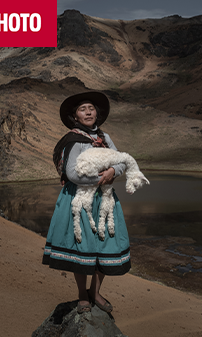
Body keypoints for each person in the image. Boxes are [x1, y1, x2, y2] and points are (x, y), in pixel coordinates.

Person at [42, 91, 131, 314]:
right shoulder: (74, 141)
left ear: (97, 113)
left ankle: (95, 291)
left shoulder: (105, 138)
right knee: (82, 247)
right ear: (75, 116)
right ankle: (82, 294)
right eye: (83, 109)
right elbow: (71, 173)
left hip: (103, 198)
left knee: (104, 243)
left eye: (91, 108)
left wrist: (112, 170)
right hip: (80, 200)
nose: (88, 112)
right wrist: (100, 178)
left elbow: (121, 161)